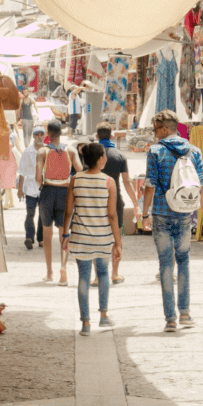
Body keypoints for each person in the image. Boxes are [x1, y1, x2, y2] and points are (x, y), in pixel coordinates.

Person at [141, 109, 203, 332]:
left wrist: (144, 214)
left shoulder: (155, 151)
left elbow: (150, 186)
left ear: (165, 128)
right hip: (184, 214)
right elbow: (202, 189)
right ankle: (185, 313)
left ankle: (170, 319)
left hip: (162, 214)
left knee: (165, 264)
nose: (154, 133)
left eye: (155, 129)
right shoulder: (194, 151)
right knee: (183, 261)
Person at [62, 142, 122, 336]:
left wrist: (65, 234)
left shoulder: (76, 179)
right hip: (103, 237)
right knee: (103, 274)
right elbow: (112, 215)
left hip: (81, 237)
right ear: (100, 159)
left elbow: (68, 211)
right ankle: (103, 316)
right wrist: (118, 242)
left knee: (83, 277)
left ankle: (85, 323)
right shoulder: (108, 182)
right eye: (104, 156)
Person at [36, 120, 83, 285]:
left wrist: (42, 184)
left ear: (48, 133)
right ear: (61, 133)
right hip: (65, 192)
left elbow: (37, 177)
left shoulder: (42, 151)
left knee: (47, 234)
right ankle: (63, 268)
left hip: (48, 192)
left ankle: (49, 272)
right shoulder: (71, 150)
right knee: (64, 233)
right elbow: (80, 171)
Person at [95, 122, 139, 284]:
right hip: (115, 202)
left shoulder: (92, 154)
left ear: (97, 136)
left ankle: (97, 277)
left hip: (96, 201)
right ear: (112, 135)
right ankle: (114, 273)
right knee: (116, 237)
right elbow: (127, 182)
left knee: (97, 239)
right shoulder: (119, 155)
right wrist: (135, 203)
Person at [17, 127, 46, 250]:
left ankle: (41, 238)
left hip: (45, 187)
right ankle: (29, 237)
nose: (39, 137)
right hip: (30, 187)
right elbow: (21, 172)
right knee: (30, 213)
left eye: (41, 134)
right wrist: (20, 189)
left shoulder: (48, 151)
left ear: (44, 136)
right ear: (33, 136)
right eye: (37, 134)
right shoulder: (28, 151)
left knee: (43, 215)